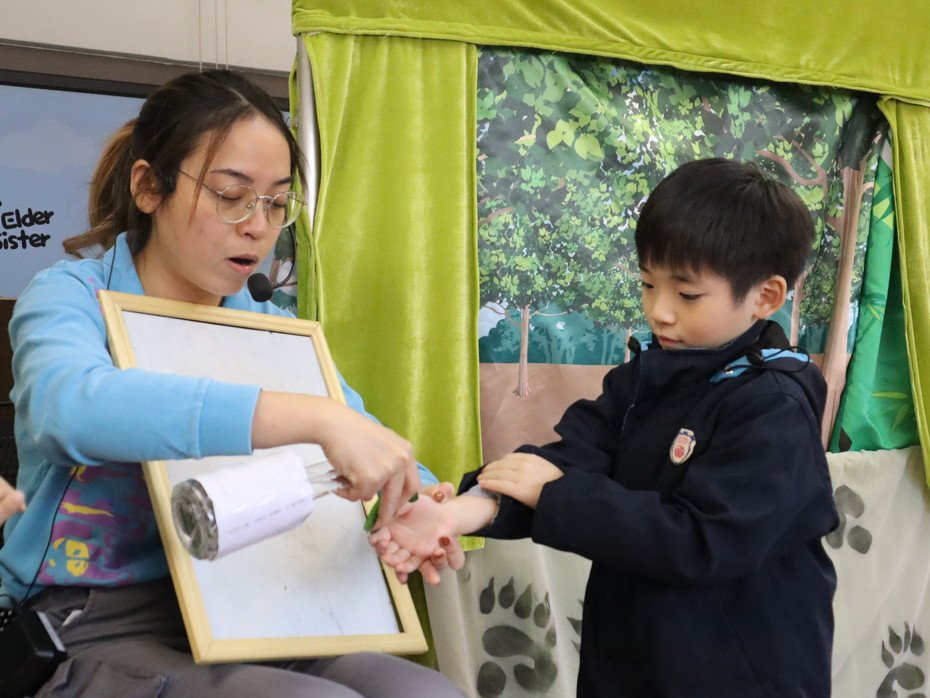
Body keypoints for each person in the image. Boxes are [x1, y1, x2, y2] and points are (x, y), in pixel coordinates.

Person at [0, 69, 463, 697]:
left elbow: (371, 444)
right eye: (231, 195)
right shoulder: (71, 296)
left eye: (275, 203)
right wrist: (312, 418)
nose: (257, 226)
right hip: (92, 623)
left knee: (428, 692)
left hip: (256, 609)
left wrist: (422, 502)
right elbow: (68, 410)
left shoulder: (276, 329)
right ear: (148, 186)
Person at [371, 158, 840, 697]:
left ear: (766, 296)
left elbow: (702, 541)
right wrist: (459, 511)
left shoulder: (773, 406)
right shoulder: (645, 376)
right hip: (634, 662)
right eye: (648, 284)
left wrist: (555, 495)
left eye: (687, 294)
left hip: (738, 675)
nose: (659, 311)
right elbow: (570, 457)